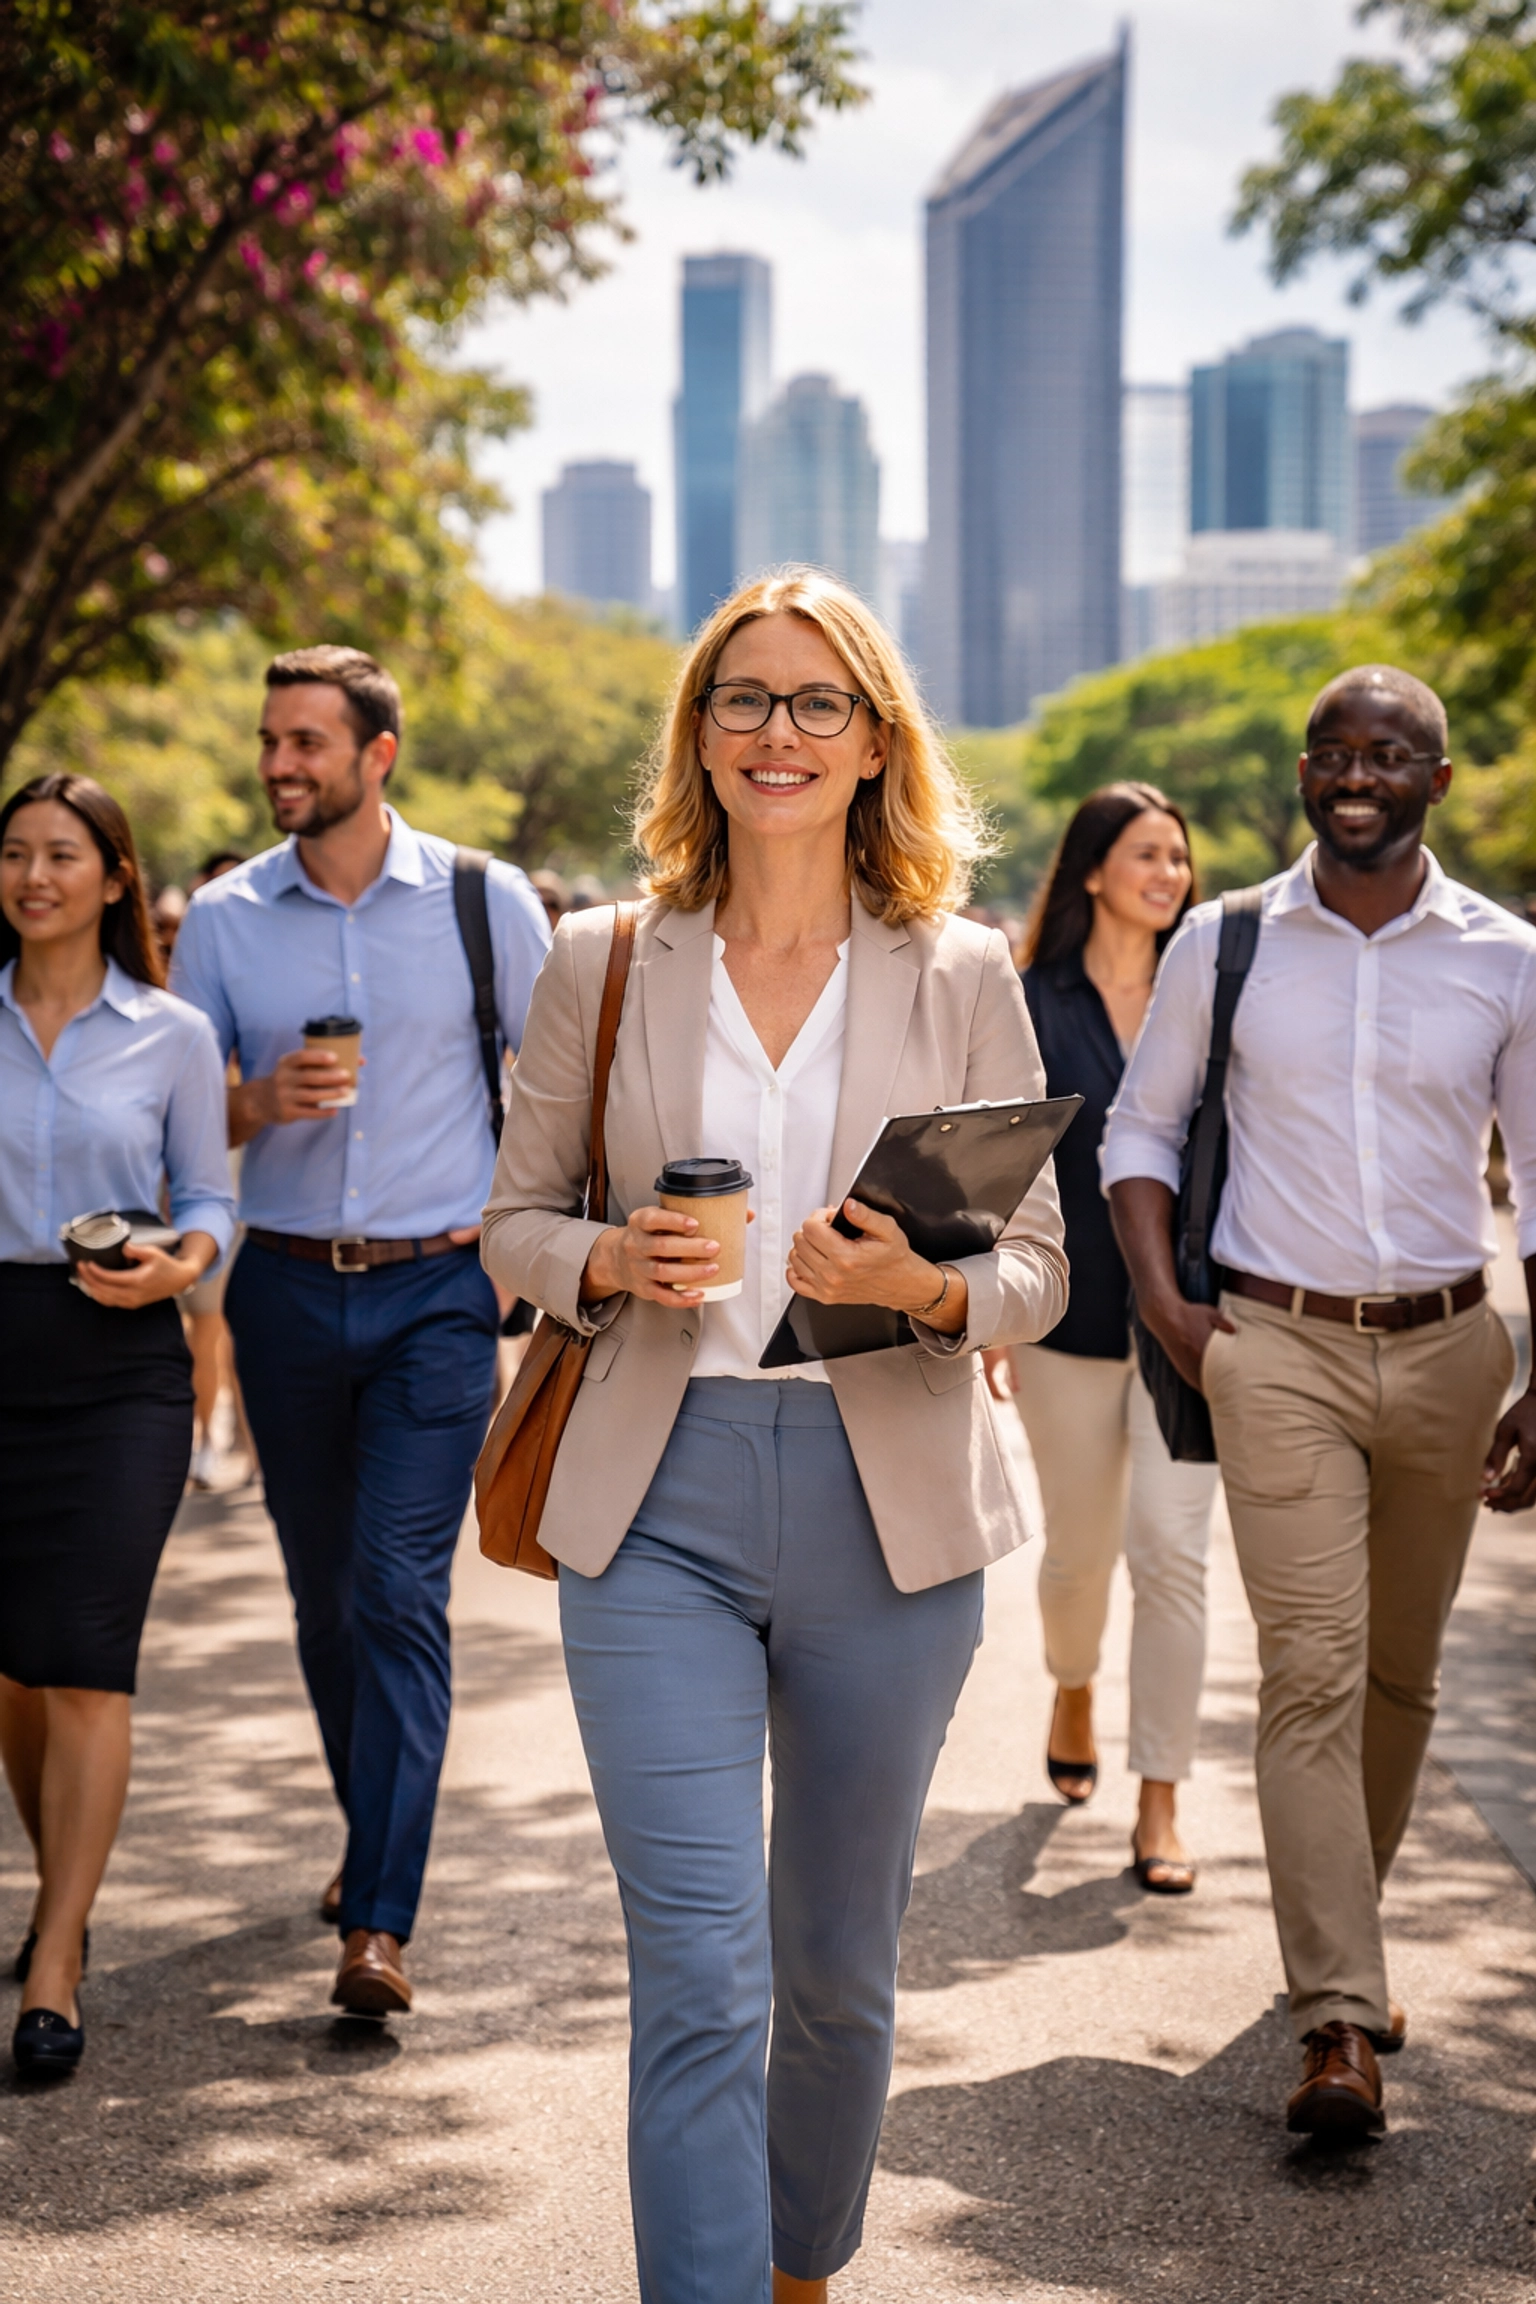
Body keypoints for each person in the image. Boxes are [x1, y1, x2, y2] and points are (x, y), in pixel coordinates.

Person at [482, 569, 1068, 2304]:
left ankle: (801, 2265)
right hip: (655, 1495)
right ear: (700, 733)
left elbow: (1039, 1263)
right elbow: (513, 1220)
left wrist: (929, 1286)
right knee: (699, 1970)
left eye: (818, 701)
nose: (778, 731)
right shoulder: (601, 956)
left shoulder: (959, 967)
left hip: (884, 1504)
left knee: (833, 1969)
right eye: (744, 697)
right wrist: (603, 1253)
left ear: (876, 739)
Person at [1103, 664, 1536, 2142]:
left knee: (1403, 1680)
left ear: (1437, 779)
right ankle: (1340, 2016)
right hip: (1272, 1343)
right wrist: (1171, 1310)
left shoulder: (1505, 956)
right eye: (1335, 753)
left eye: (1390, 754)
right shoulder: (1226, 945)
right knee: (1312, 1671)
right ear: (1304, 772)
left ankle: (1342, 1932)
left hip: (1450, 1347)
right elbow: (1140, 1130)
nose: (1358, 775)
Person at [171, 645, 549, 2018]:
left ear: (377, 756)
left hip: (435, 1298)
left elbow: (568, 1075)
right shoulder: (221, 919)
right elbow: (173, 1113)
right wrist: (259, 1103)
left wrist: (517, 1230)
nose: (280, 763)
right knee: (324, 1603)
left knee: (398, 1591)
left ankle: (380, 1919)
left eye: (307, 743)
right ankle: (370, 1832)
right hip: (277, 1289)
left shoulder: (480, 900)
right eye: (271, 740)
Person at [0, 774, 235, 2079]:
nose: (36, 876)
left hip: (118, 1359)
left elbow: (207, 1187)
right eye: (16, 853)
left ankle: (56, 1951)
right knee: (18, 1669)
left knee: (86, 1657)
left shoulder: (172, 1032)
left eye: (63, 855)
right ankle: (60, 1896)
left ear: (112, 879)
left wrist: (184, 1261)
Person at [1003, 785, 1219, 1894]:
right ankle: (1073, 1679)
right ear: (1093, 871)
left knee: (1173, 1559)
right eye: (1146, 854)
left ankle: (1161, 1800)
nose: (1169, 874)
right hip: (1066, 1317)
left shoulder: (1219, 987)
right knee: (1079, 1556)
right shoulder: (1028, 998)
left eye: (1179, 858)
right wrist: (986, 1302)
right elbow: (993, 1158)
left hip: (1194, 1318)